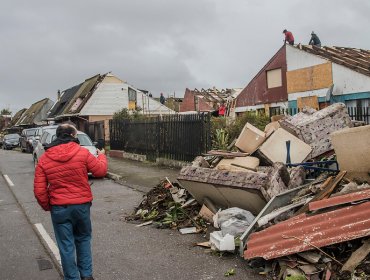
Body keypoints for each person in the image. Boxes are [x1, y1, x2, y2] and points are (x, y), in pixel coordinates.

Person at [34, 123, 107, 280]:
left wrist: (50, 206)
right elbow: (100, 171)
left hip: (59, 207)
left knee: (66, 246)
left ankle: (72, 278)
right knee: (83, 239)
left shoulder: (45, 158)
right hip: (81, 206)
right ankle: (86, 275)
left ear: (57, 136)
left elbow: (39, 190)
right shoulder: (82, 153)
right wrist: (101, 155)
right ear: (73, 136)